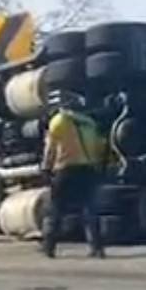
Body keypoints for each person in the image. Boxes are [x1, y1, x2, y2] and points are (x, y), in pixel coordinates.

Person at [39, 90, 109, 258]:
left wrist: (46, 168)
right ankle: (97, 247)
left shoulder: (58, 121)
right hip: (87, 170)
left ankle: (49, 246)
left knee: (55, 209)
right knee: (90, 210)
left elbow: (50, 149)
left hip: (65, 169)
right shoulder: (89, 123)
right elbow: (100, 146)